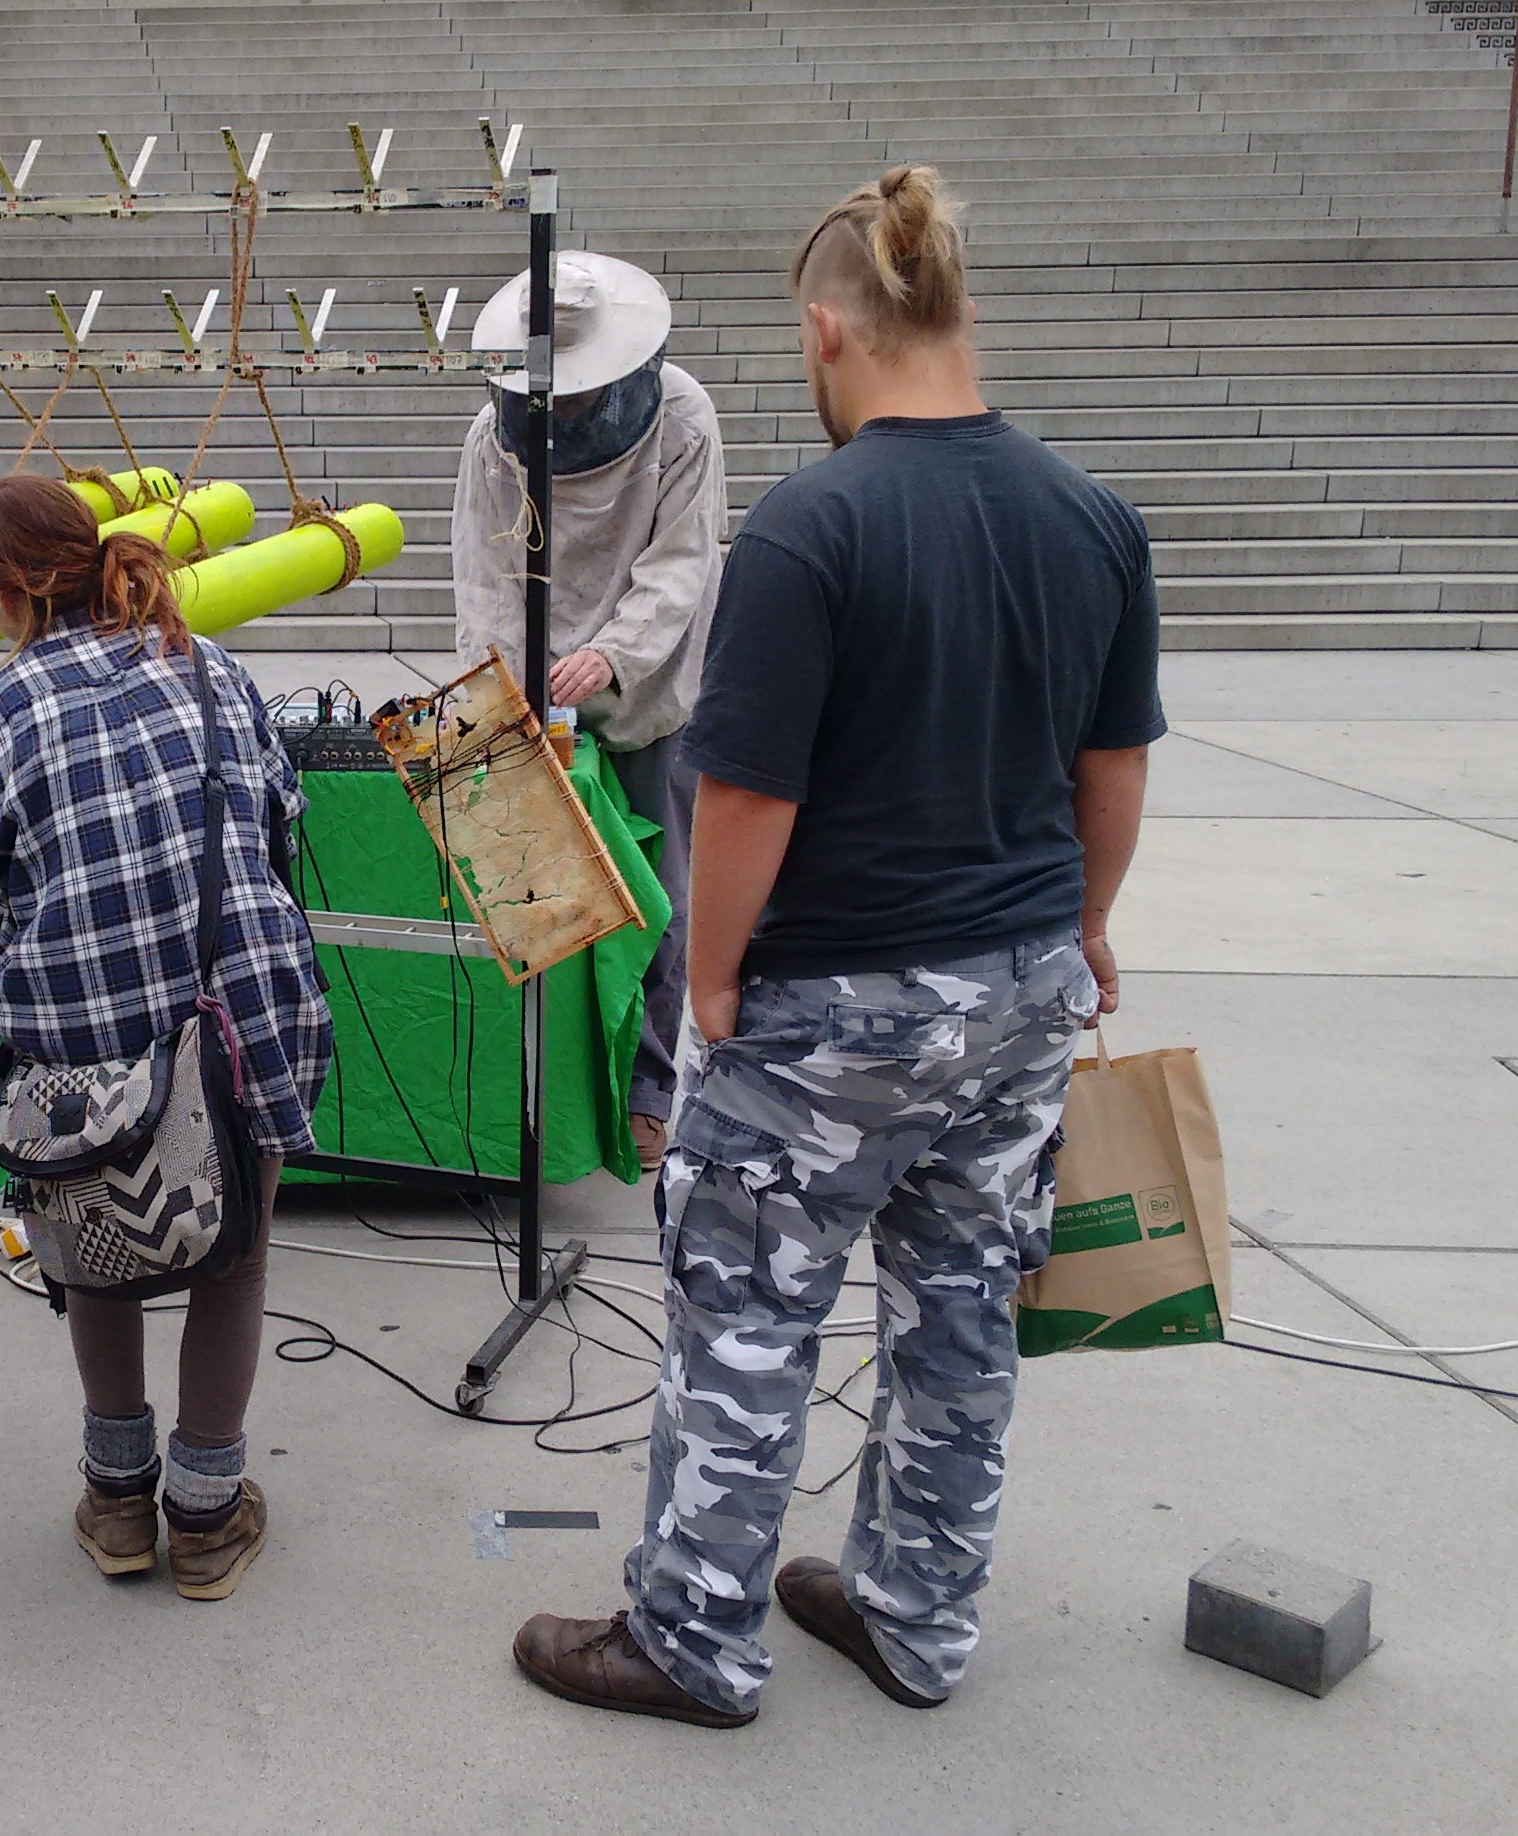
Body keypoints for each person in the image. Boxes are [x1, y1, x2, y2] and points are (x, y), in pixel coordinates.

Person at [510, 165, 1161, 1727]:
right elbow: (1114, 769)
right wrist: (1083, 930)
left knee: (746, 1319)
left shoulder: (811, 530)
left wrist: (716, 979)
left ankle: (694, 1640)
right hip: (1015, 994)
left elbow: (742, 792)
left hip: (833, 1008)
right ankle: (915, 1615)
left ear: (826, 331)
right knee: (961, 1315)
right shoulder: (1093, 516)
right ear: (960, 313)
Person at [0, 473, 331, 1603]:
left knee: (95, 1247)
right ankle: (208, 1518)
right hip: (241, 1005)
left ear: (5, 590)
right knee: (235, 1253)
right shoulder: (207, 662)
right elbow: (280, 816)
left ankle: (117, 1503)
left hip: (80, 1028)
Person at [450, 250, 727, 1171]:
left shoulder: (683, 418)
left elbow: (682, 565)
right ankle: (545, 1084)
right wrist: (498, 683)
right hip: (530, 693)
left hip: (643, 695)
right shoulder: (491, 439)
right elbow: (485, 578)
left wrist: (612, 655)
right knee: (529, 889)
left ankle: (647, 1090)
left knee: (656, 894)